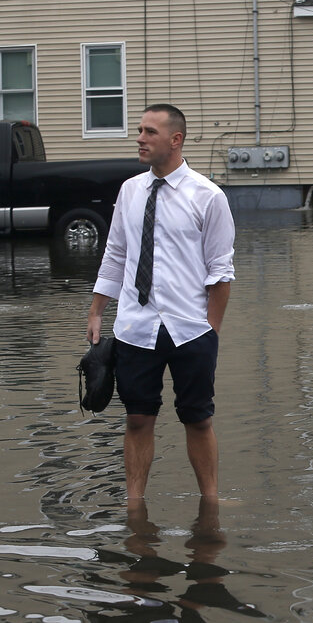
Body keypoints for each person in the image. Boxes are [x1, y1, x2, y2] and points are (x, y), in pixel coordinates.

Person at [86, 103, 235, 502]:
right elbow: (115, 254)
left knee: (198, 419)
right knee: (137, 418)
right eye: (139, 130)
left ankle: (210, 502)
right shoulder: (130, 191)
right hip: (136, 326)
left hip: (191, 329)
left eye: (150, 132)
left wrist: (211, 332)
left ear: (175, 139)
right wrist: (98, 310)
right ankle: (135, 505)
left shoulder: (208, 196)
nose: (140, 138)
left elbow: (220, 273)